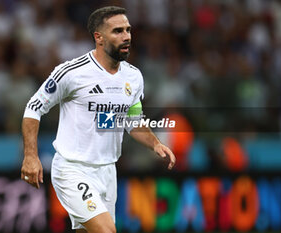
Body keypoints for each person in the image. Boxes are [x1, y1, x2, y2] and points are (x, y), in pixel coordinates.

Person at [20, 6, 176, 233]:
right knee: (107, 231)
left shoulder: (133, 77)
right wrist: (31, 156)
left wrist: (155, 143)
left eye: (128, 30)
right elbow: (33, 108)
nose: (127, 37)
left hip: (107, 172)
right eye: (118, 31)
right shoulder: (71, 73)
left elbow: (132, 121)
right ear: (99, 37)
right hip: (73, 169)